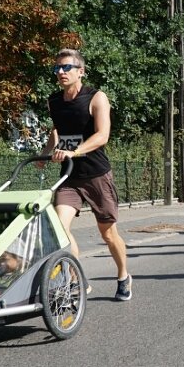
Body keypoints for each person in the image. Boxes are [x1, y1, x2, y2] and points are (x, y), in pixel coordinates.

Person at [40, 48, 131, 301]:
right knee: (59, 228)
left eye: (66, 67)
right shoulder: (54, 101)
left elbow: (102, 136)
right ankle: (76, 279)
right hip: (69, 176)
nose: (60, 72)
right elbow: (57, 130)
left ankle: (123, 275)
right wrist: (45, 153)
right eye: (57, 68)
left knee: (108, 234)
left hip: (96, 174)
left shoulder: (96, 97)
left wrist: (74, 152)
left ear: (81, 71)